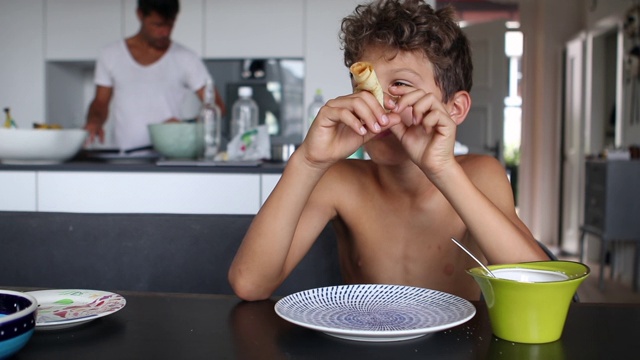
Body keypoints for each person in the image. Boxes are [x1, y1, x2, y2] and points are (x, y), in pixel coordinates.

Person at [228, 0, 548, 301]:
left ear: (455, 108)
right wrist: (308, 161)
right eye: (365, 88)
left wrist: (442, 169)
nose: (377, 104)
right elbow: (250, 284)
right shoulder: (339, 181)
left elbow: (539, 284)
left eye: (400, 85)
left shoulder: (480, 175)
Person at [84, 0, 225, 150]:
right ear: (140, 15)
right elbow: (100, 102)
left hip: (170, 158)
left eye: (170, 24)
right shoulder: (111, 54)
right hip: (124, 158)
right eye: (157, 25)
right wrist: (94, 121)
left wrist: (186, 126)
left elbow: (217, 107)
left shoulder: (186, 58)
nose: (164, 32)